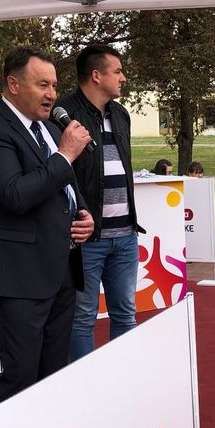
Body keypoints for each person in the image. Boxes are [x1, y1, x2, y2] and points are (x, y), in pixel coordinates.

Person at [0, 46, 95, 404]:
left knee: (53, 375)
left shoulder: (48, 129)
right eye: (42, 85)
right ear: (13, 84)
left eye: (54, 85)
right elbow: (15, 194)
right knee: (21, 378)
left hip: (61, 273)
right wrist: (65, 154)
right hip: (20, 277)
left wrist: (83, 213)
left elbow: (65, 185)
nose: (52, 94)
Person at [54, 43, 146, 361]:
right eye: (117, 71)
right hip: (86, 238)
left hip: (126, 235)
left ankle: (122, 377)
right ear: (96, 75)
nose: (123, 77)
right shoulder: (63, 114)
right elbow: (58, 172)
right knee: (82, 318)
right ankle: (84, 383)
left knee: (126, 314)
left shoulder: (121, 115)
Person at [187, 161, 215, 260]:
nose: (199, 175)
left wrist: (212, 216)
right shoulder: (187, 184)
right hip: (191, 216)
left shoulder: (205, 185)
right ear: (190, 173)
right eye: (196, 173)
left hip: (203, 214)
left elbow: (208, 203)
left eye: (201, 173)